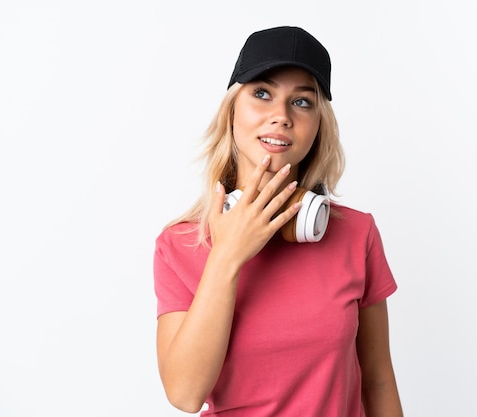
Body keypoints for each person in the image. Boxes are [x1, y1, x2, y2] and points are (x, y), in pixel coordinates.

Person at [154, 26, 404, 416]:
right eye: (262, 93)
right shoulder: (181, 244)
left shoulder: (357, 234)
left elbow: (378, 378)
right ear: (232, 110)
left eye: (302, 102)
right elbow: (184, 394)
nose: (281, 116)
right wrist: (227, 257)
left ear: (318, 124)